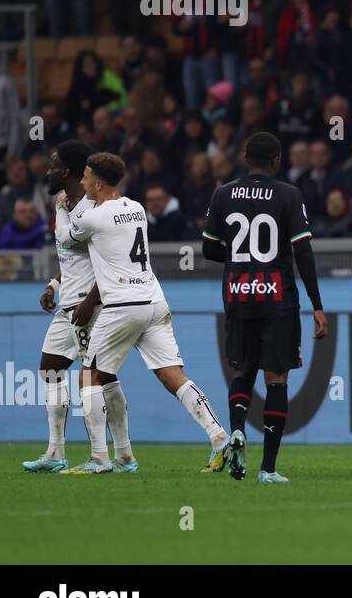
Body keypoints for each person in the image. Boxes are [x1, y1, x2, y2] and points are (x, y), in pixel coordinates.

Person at [61, 152, 229, 474]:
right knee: (173, 375)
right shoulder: (136, 208)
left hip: (123, 306)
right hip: (153, 300)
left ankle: (99, 459)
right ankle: (218, 436)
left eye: (85, 177)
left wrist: (63, 207)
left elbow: (69, 240)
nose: (81, 182)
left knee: (89, 376)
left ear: (97, 182)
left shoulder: (93, 217)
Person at [200, 132, 328, 483]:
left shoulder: (223, 193)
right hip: (278, 300)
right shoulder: (288, 194)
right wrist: (317, 305)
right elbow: (303, 252)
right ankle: (268, 469)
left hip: (239, 296)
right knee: (277, 379)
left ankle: (238, 428)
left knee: (242, 372)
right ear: (276, 160)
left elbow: (208, 249)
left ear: (244, 157)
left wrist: (242, 258)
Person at [22, 142, 108, 473]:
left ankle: (105, 455)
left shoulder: (94, 209)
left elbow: (108, 261)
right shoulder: (60, 203)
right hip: (67, 305)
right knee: (50, 369)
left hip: (90, 306)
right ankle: (56, 453)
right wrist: (54, 284)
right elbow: (67, 254)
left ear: (67, 171)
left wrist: (90, 301)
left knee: (96, 379)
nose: (47, 170)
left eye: (53, 165)